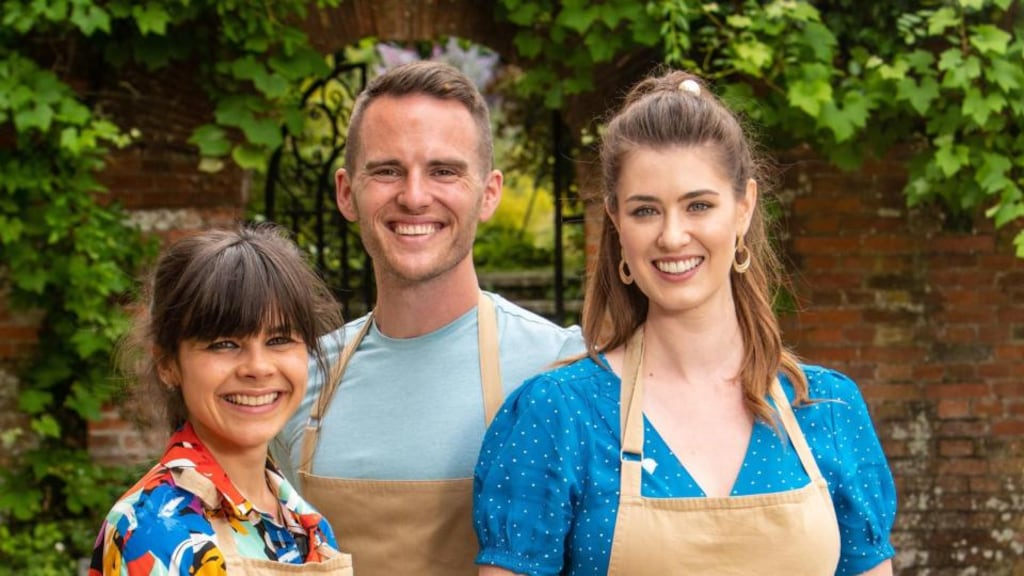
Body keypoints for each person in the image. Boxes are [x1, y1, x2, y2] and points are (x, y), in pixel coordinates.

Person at [473, 69, 897, 575]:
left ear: (744, 208)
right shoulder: (559, 415)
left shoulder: (828, 409)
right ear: (616, 221)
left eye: (698, 205)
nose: (673, 237)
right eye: (646, 211)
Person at [272, 60, 584, 576]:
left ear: (489, 194)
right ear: (347, 192)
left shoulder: (561, 368)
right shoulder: (302, 377)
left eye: (444, 171)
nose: (415, 196)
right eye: (388, 170)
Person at [89, 223, 352, 575]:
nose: (258, 368)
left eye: (279, 340)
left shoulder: (305, 523)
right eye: (224, 344)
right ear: (168, 364)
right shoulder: (151, 531)